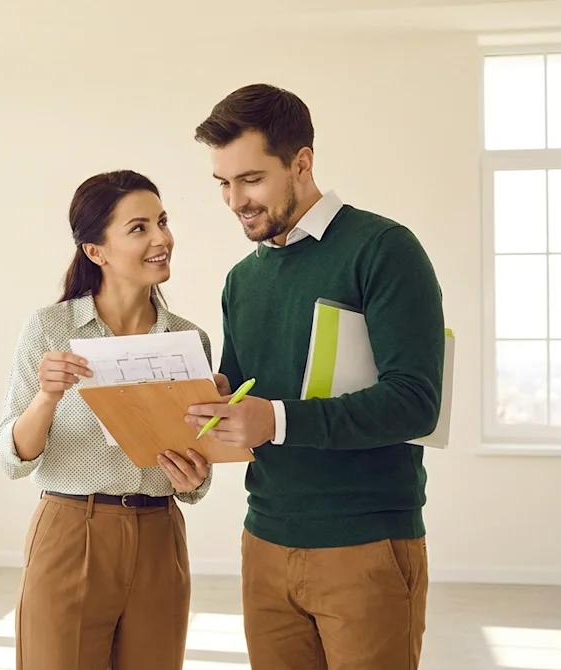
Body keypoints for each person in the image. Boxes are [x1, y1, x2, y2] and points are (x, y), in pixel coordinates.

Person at [185, 83, 445, 669]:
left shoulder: (383, 249)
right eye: (223, 184)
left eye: (250, 179)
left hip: (365, 543)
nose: (234, 201)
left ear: (301, 163)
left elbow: (415, 402)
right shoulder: (241, 280)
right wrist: (205, 419)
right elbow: (242, 395)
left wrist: (273, 418)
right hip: (265, 541)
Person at [0, 169, 215, 670]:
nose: (162, 238)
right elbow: (12, 459)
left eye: (162, 221)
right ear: (97, 251)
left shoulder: (190, 340)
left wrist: (196, 477)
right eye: (139, 228)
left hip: (160, 535)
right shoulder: (50, 328)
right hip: (72, 530)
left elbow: (195, 473)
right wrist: (47, 397)